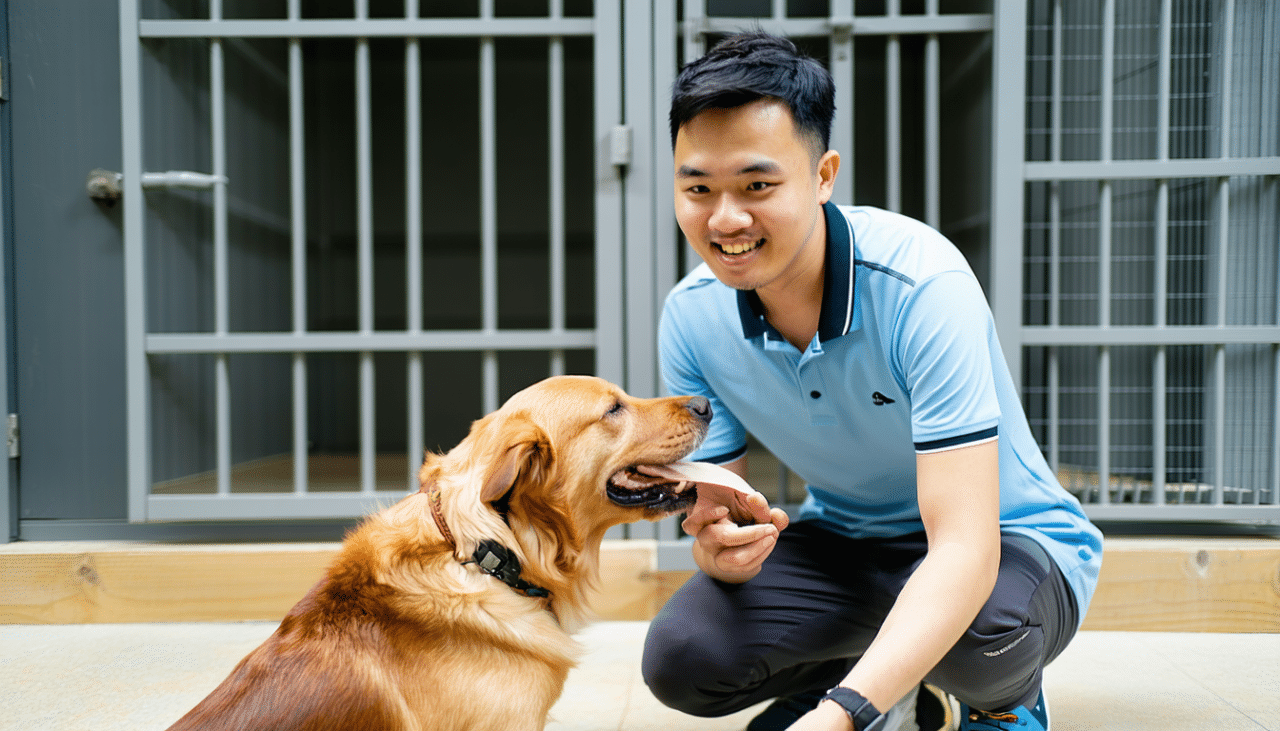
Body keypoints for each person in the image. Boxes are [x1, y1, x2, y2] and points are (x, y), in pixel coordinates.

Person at [640, 32, 1103, 731]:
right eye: (697, 188)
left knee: (980, 636)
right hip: (851, 543)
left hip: (1006, 542)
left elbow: (965, 547)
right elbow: (723, 517)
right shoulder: (691, 317)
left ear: (823, 176)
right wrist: (721, 549)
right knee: (684, 654)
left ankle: (1001, 699)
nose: (725, 218)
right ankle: (880, 678)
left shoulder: (924, 286)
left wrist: (844, 716)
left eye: (758, 185)